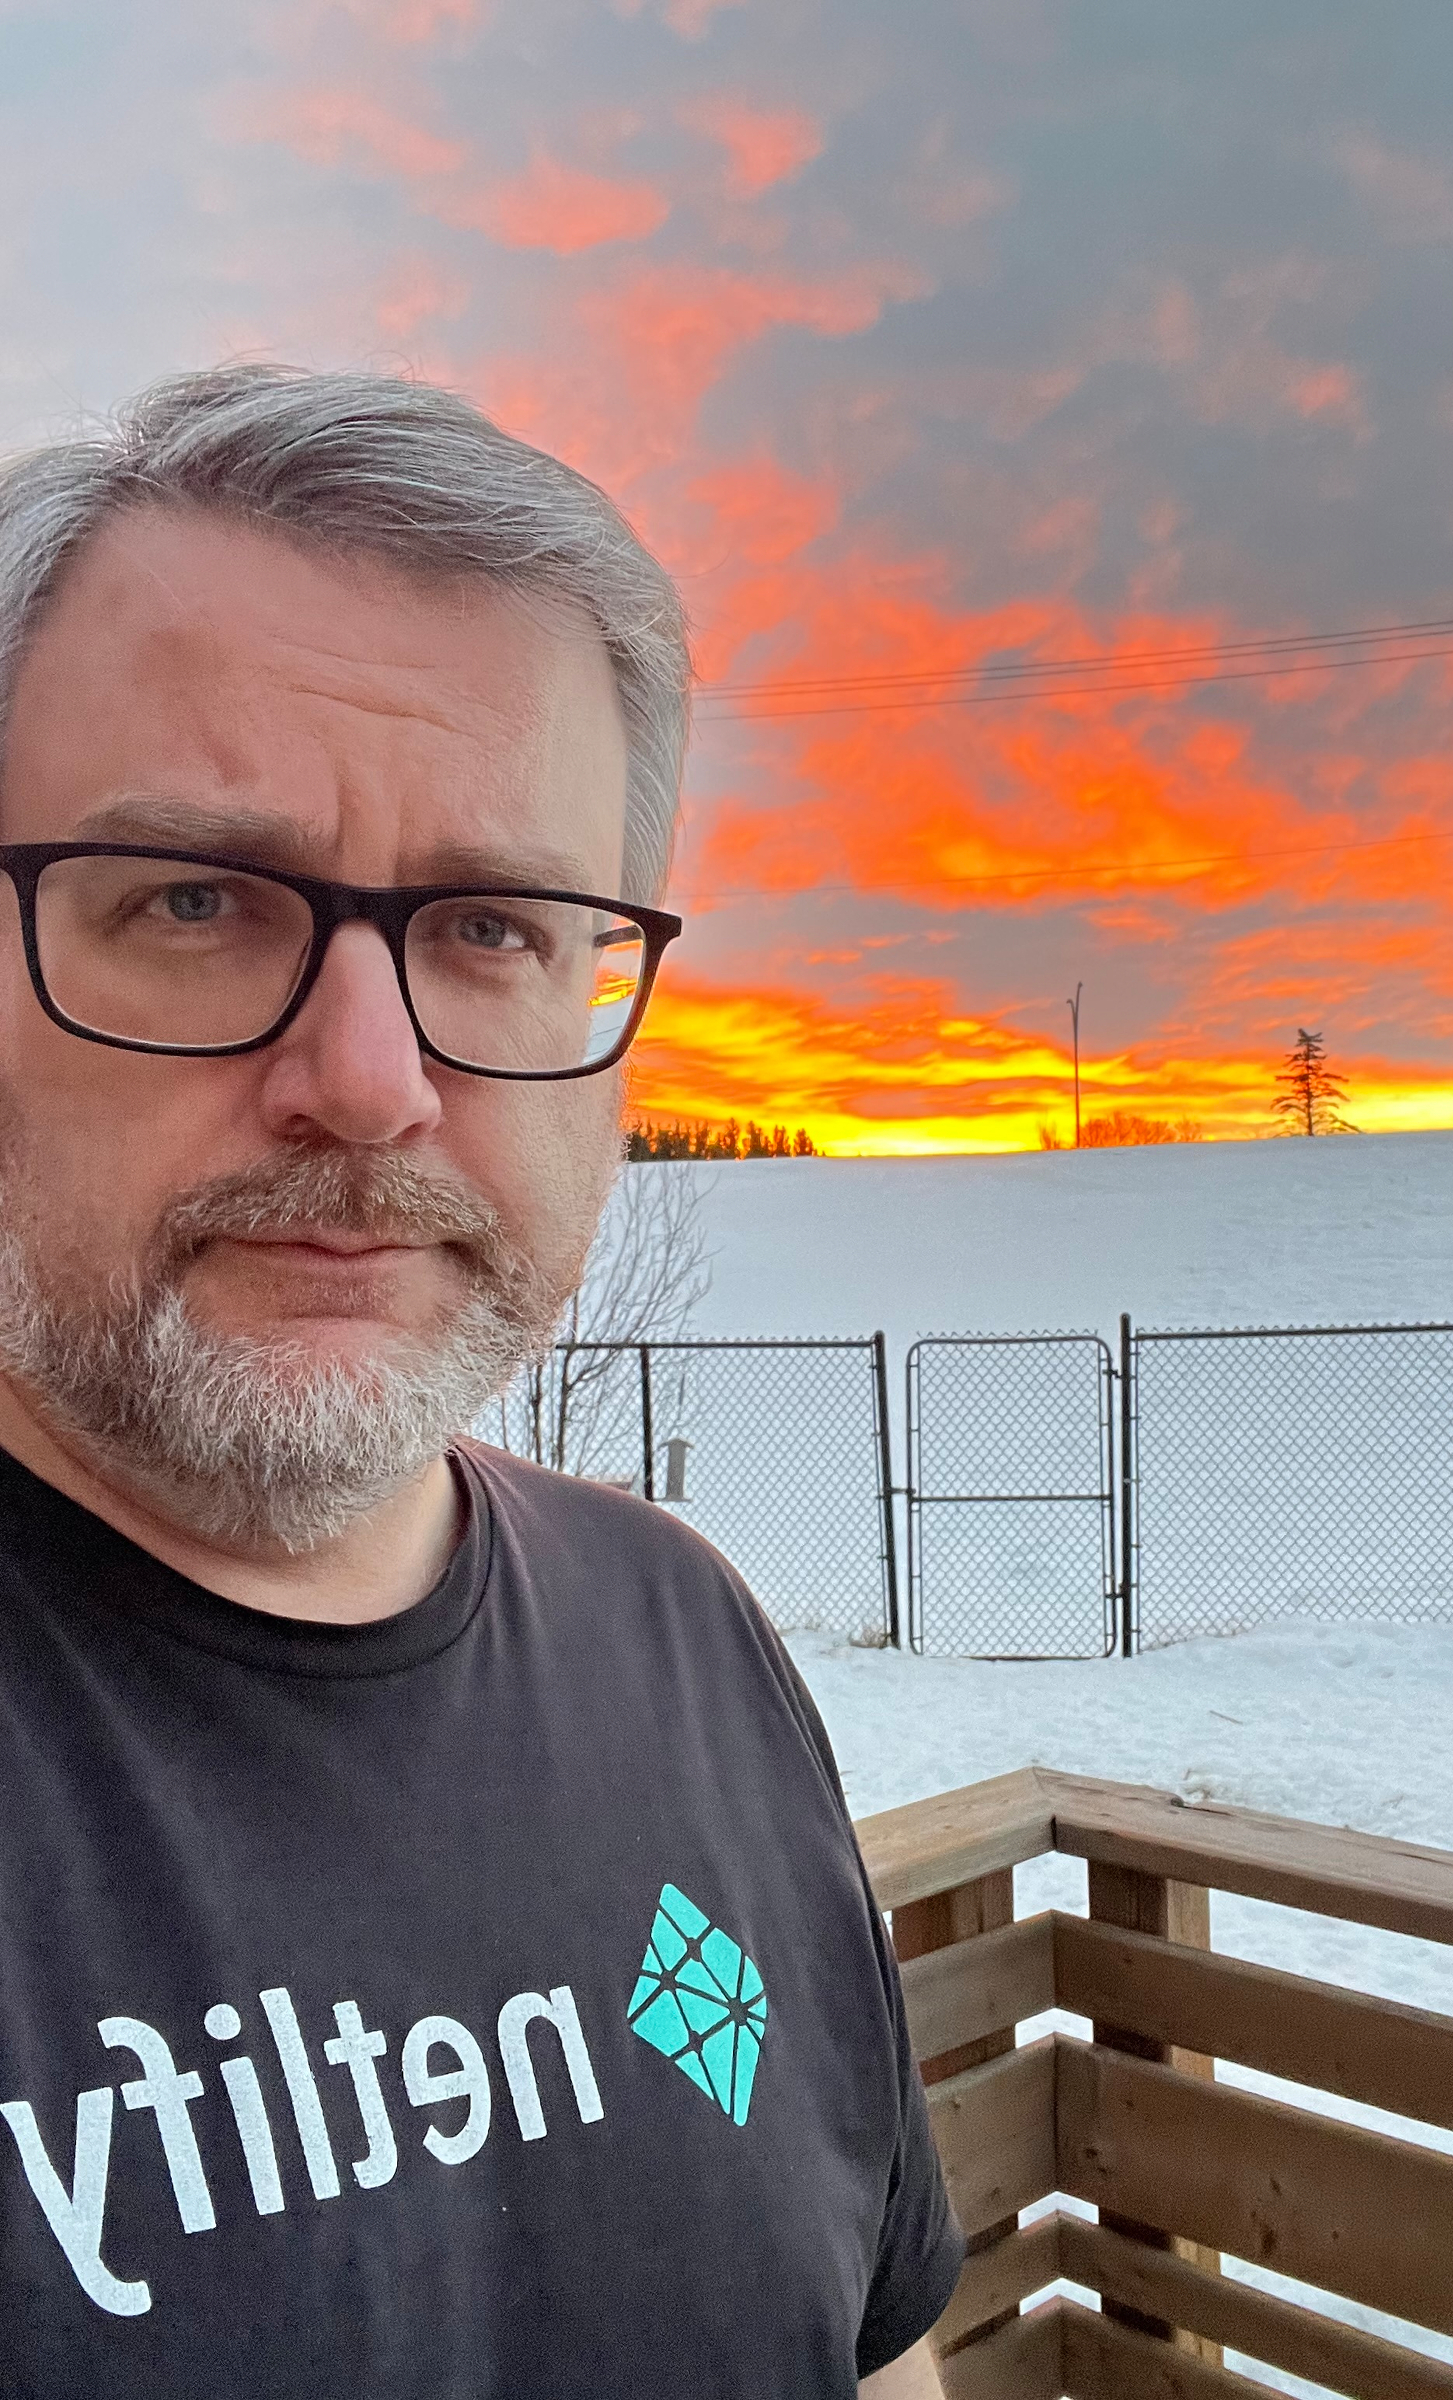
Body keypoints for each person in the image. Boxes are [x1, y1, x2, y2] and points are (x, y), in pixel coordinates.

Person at [0, 365, 960, 2398]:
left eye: (497, 927)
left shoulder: (684, 1642)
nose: (368, 1078)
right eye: (192, 899)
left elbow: (869, 2350)